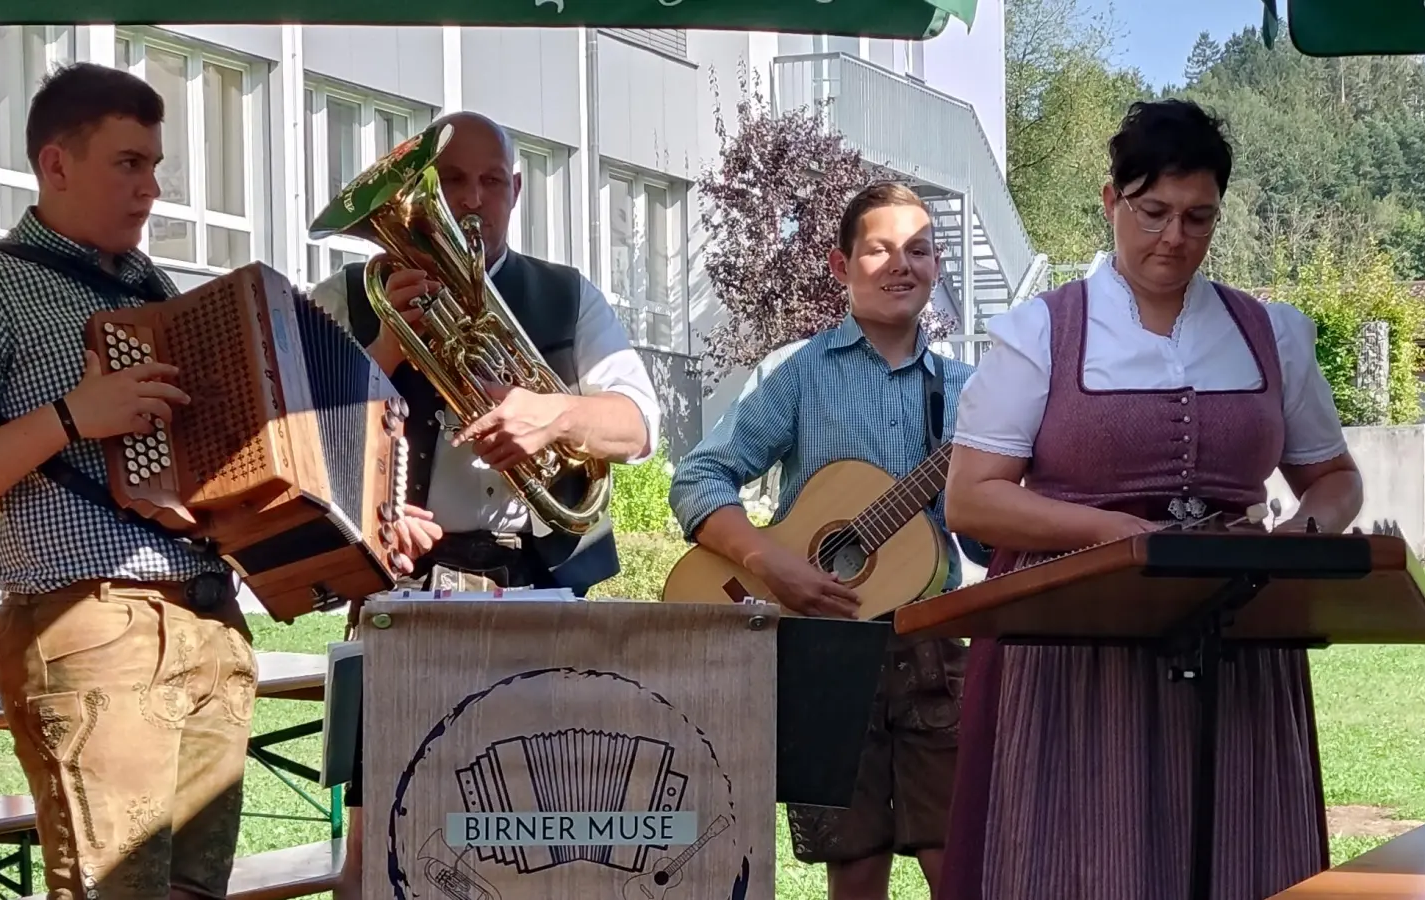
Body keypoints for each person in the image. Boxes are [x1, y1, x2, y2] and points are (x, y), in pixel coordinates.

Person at [0, 63, 437, 900]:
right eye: (129, 163)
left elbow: (264, 459)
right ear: (56, 163)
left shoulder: (160, 295)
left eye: (155, 164)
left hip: (211, 626)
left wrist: (370, 475)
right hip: (91, 627)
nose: (153, 187)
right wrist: (73, 416)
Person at [938, 99, 1363, 900]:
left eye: (1198, 217)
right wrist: (1125, 539)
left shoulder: (1270, 333)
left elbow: (1335, 479)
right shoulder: (1041, 332)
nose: (1174, 237)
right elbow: (973, 499)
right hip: (1073, 641)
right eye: (1154, 211)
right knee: (1083, 860)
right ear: (1111, 201)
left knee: (1237, 849)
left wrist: (1296, 539)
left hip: (1237, 629)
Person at [310, 109, 663, 899]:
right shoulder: (350, 296)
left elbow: (641, 425)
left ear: (517, 190)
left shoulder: (565, 296)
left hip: (533, 585)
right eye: (452, 182)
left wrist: (556, 415)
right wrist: (387, 347)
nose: (472, 201)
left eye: (492, 182)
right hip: (403, 588)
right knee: (378, 840)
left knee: (537, 829)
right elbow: (306, 431)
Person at [668, 182, 973, 900]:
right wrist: (770, 563)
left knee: (958, 865)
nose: (903, 265)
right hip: (825, 650)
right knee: (855, 872)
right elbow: (701, 476)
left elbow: (986, 523)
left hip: (932, 650)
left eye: (920, 250)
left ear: (937, 267)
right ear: (840, 266)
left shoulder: (968, 392)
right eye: (880, 249)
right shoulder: (799, 373)